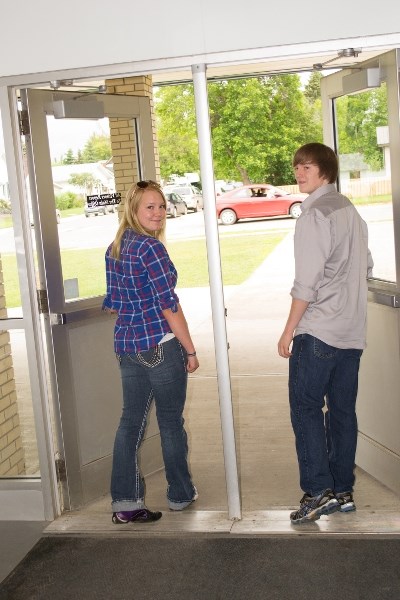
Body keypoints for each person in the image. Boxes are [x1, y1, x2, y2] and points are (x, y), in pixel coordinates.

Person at [278, 143, 373, 525]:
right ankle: (342, 489)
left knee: (305, 410)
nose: (299, 173)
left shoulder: (313, 214)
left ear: (326, 170)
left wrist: (288, 331)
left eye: (307, 166)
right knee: (343, 412)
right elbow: (366, 264)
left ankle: (317, 492)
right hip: (351, 331)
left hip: (318, 332)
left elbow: (307, 282)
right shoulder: (350, 210)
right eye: (297, 166)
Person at [103, 179, 199, 524]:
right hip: (159, 347)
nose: (158, 212)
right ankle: (180, 495)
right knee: (171, 423)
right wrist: (189, 349)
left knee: (130, 424)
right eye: (150, 207)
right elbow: (168, 306)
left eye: (161, 206)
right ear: (134, 210)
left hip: (127, 348)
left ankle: (125, 503)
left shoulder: (115, 248)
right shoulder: (150, 249)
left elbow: (114, 305)